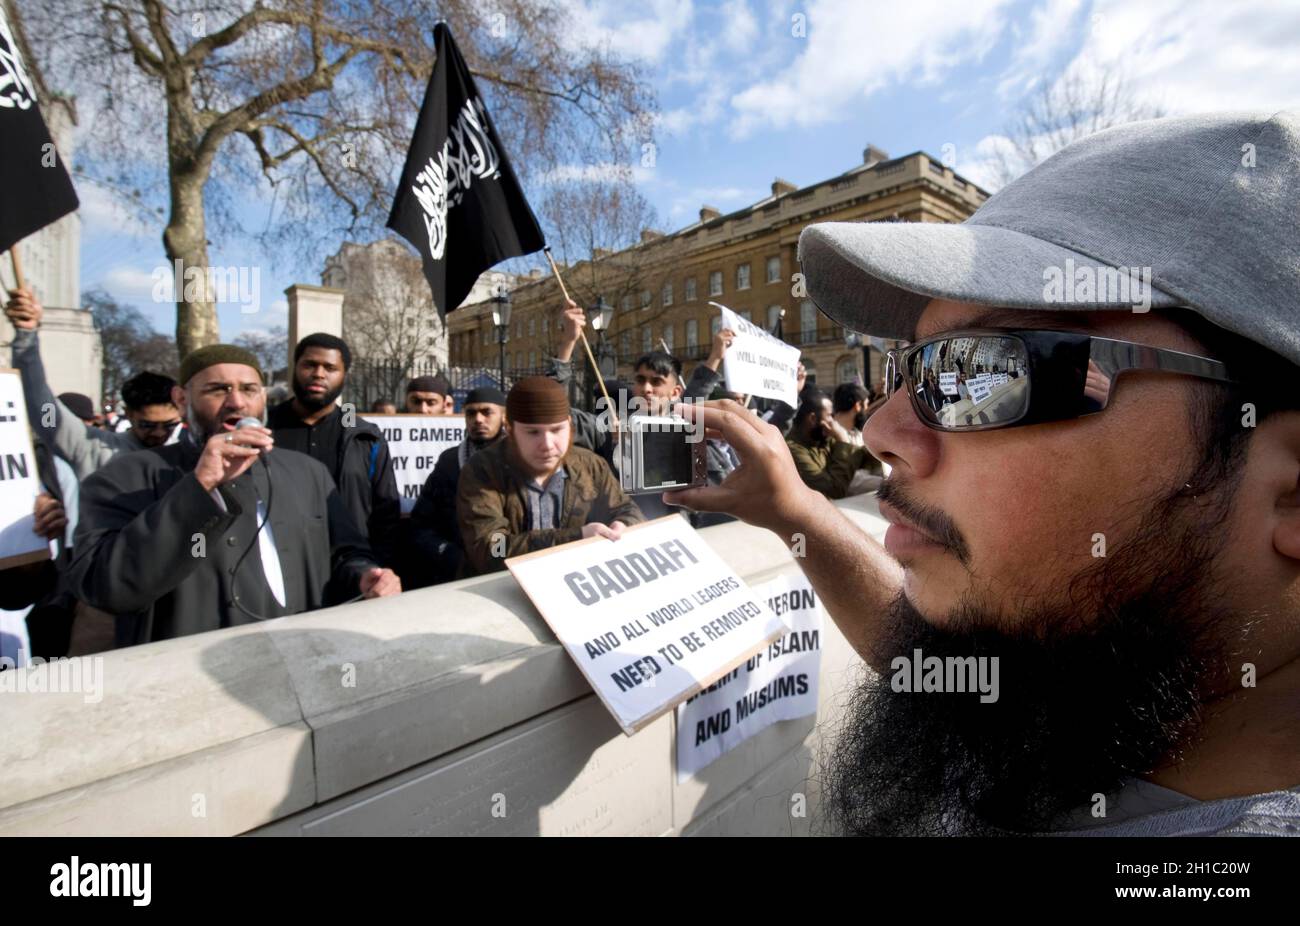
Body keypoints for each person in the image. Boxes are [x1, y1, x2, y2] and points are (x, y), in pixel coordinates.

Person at [664, 111, 1300, 837]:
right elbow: (958, 662)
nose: (880, 432)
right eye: (912, 368)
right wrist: (796, 512)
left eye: (988, 369)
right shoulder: (1094, 679)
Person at [69, 344, 400, 646]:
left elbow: (343, 554)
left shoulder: (308, 472)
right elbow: (105, 587)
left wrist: (364, 577)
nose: (237, 402)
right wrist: (200, 487)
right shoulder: (126, 476)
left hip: (307, 659)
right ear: (182, 399)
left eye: (249, 390)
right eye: (218, 389)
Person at [456, 377, 643, 576]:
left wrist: (624, 525)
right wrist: (576, 538)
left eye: (556, 430)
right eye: (533, 432)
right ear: (509, 429)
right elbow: (492, 550)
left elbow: (628, 509)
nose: (547, 444)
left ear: (570, 426)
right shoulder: (483, 470)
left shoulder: (590, 465)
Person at [5, 287, 185, 478]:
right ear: (129, 415)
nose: (159, 433)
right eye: (148, 425)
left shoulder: (193, 457)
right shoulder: (91, 446)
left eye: (169, 425)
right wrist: (26, 335)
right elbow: (41, 409)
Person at [267, 333, 401, 567]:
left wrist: (377, 567)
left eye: (330, 367)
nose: (319, 374)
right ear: (295, 367)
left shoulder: (365, 435)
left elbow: (386, 513)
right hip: (279, 565)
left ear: (344, 375)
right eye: (310, 365)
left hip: (351, 568)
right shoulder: (265, 428)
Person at [410, 386, 508, 584]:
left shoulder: (518, 460)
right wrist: (447, 553)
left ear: (504, 417)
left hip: (506, 570)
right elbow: (422, 522)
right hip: (455, 573)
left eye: (487, 412)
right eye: (471, 413)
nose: (478, 419)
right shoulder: (449, 461)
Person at [785, 388, 872, 499]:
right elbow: (834, 491)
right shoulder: (793, 450)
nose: (833, 421)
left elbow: (859, 458)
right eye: (829, 415)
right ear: (812, 418)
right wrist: (843, 440)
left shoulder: (823, 440)